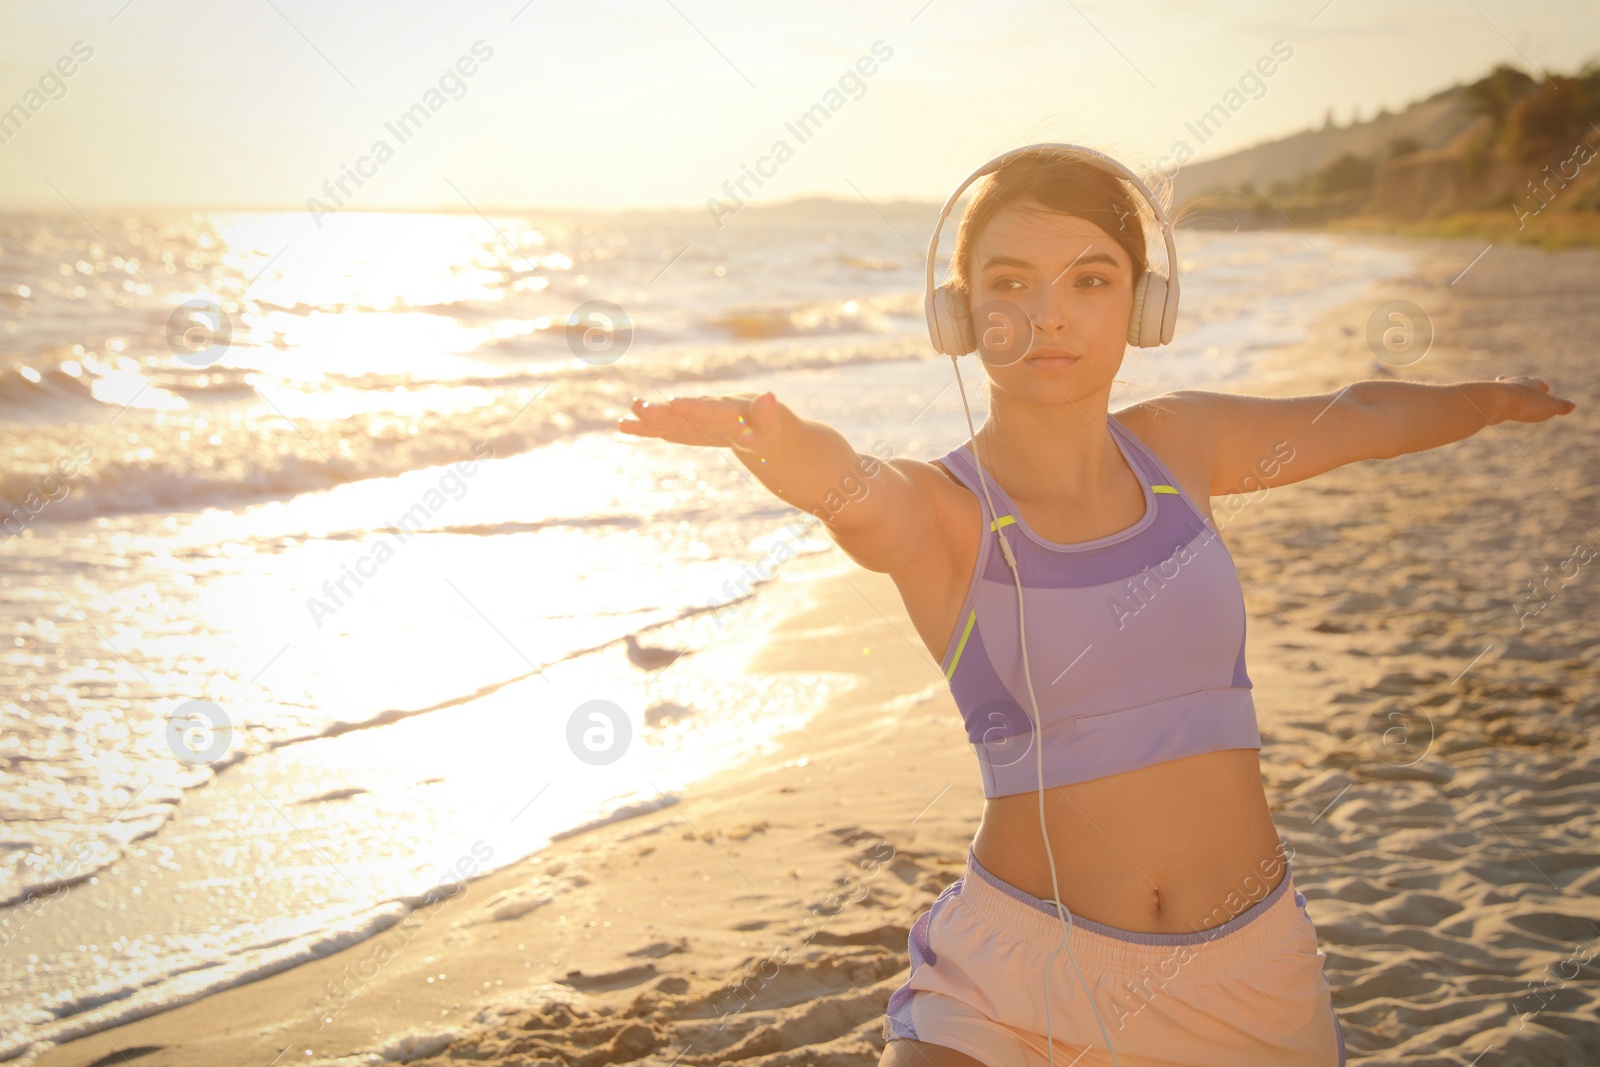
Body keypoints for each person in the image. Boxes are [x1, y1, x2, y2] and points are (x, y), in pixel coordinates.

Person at [616, 145, 1576, 1067]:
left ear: (1145, 305)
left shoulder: (1183, 446)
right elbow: (853, 487)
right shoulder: (945, 515)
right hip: (1016, 981)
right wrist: (770, 441)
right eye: (1009, 284)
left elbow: (1360, 416)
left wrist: (1488, 400)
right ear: (960, 316)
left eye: (1089, 279)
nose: (1049, 316)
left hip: (1250, 976)